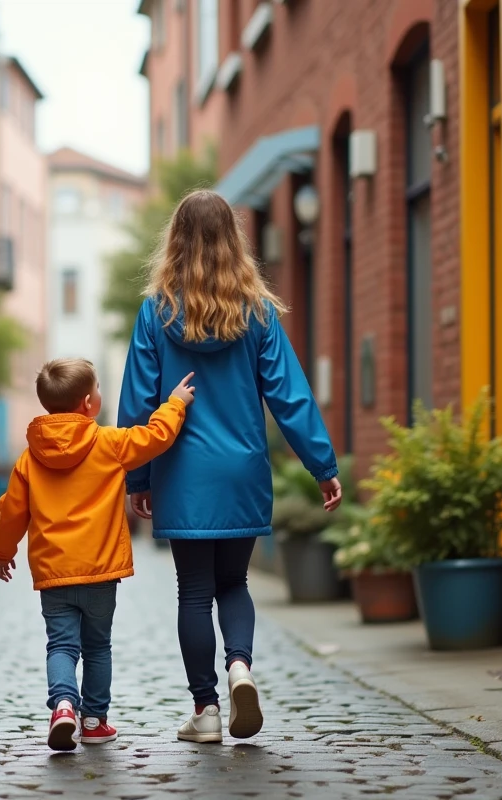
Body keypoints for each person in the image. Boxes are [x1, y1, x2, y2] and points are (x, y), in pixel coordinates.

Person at [117, 190, 342, 744]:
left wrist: (137, 477)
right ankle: (240, 666)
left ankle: (207, 711)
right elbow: (290, 396)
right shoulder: (258, 312)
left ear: (175, 241)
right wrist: (322, 464)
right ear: (233, 242)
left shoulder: (156, 313)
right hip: (242, 469)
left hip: (183, 474)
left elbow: (137, 401)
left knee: (193, 591)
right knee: (234, 582)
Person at [0, 357, 197, 751]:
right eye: (99, 387)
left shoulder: (30, 458)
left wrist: (1, 550)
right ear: (88, 402)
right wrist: (175, 403)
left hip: (55, 574)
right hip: (101, 572)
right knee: (98, 646)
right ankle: (94, 720)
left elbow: (11, 509)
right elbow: (155, 437)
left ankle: (64, 705)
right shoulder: (109, 443)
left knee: (62, 646)